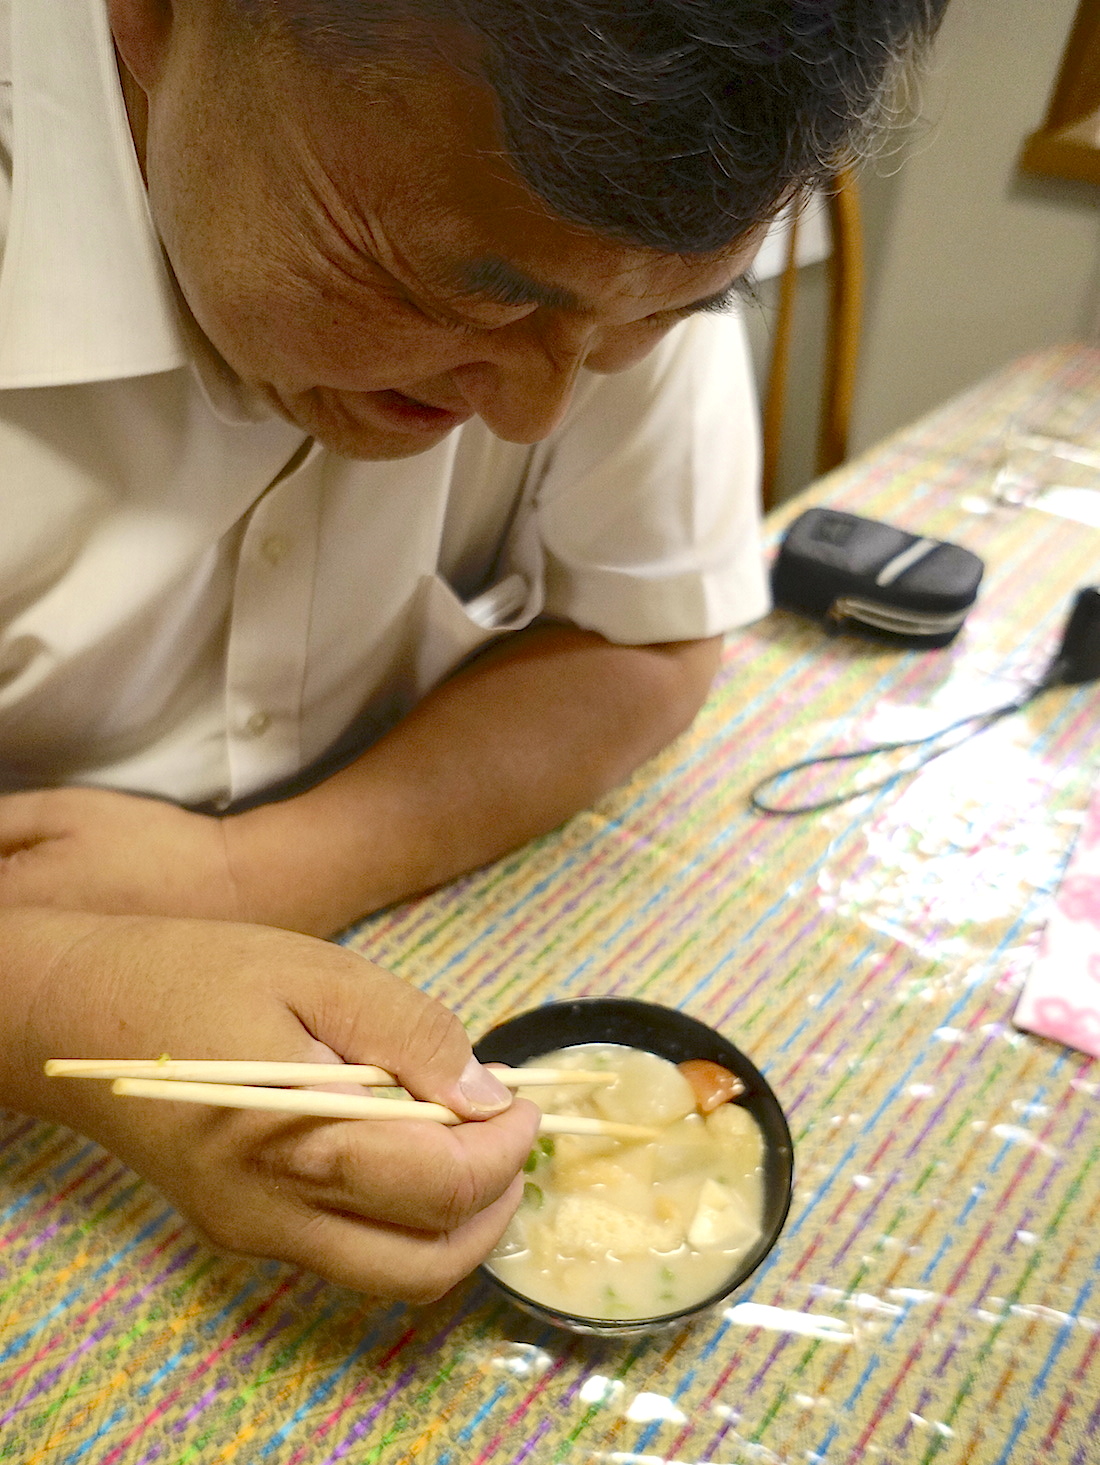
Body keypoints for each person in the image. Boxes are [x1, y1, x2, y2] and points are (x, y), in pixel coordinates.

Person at [0, 0, 947, 1300]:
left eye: (648, 329)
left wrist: (252, 870)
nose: (541, 407)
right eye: (454, 292)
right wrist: (59, 996)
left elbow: (651, 634)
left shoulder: (614, 231)